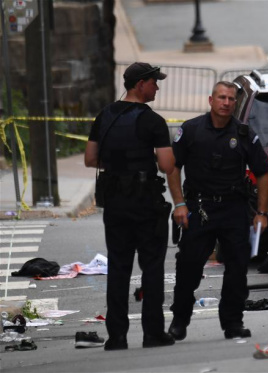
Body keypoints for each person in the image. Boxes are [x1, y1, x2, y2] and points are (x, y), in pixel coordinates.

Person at [168, 81, 268, 340]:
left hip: (233, 208)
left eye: (231, 99)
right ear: (210, 100)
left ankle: (233, 323)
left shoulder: (245, 134)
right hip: (199, 207)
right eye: (221, 98)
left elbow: (263, 174)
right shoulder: (190, 130)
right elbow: (172, 167)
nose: (226, 103)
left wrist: (262, 213)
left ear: (236, 103)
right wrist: (179, 204)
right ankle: (179, 320)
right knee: (189, 266)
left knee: (237, 268)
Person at [84, 62, 176, 350]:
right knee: (152, 268)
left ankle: (117, 336)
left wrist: (118, 164)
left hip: (115, 204)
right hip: (145, 204)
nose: (157, 87)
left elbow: (90, 158)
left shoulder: (105, 115)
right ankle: (153, 333)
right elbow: (166, 165)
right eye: (153, 82)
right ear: (140, 85)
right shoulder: (153, 121)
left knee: (119, 269)